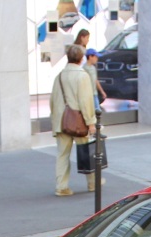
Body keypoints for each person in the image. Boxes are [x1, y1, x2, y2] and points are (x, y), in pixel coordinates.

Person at [50, 43, 98, 197]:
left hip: (61, 121)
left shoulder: (59, 76)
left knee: (62, 154)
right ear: (81, 58)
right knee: (86, 151)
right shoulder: (82, 75)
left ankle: (61, 186)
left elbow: (53, 100)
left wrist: (56, 120)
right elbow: (86, 101)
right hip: (78, 122)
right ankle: (92, 183)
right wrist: (91, 122)